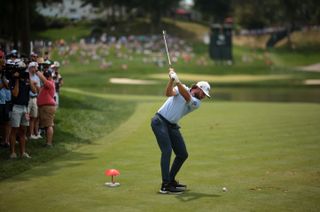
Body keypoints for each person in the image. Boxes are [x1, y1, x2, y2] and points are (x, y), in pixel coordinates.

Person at [151, 68, 211, 194]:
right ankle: (165, 185)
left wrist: (177, 80)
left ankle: (171, 180)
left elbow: (186, 96)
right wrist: (172, 80)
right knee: (166, 151)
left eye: (205, 95)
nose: (204, 96)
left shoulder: (196, 103)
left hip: (172, 125)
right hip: (159, 121)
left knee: (182, 154)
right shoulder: (181, 87)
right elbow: (168, 93)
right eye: (203, 93)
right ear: (197, 88)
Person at [9, 60, 37, 159]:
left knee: (23, 131)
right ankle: (12, 153)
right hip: (16, 107)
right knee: (14, 131)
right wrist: (17, 79)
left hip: (25, 108)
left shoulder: (26, 80)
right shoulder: (13, 79)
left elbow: (34, 91)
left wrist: (29, 78)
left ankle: (23, 152)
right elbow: (15, 94)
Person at [36, 69, 56, 147]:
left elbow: (43, 79)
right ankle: (48, 142)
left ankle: (49, 143)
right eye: (46, 76)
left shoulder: (50, 83)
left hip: (48, 107)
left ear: (50, 76)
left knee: (49, 125)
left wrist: (37, 71)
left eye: (47, 76)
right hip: (45, 107)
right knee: (47, 125)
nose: (47, 77)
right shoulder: (47, 85)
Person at [27, 62, 41, 139]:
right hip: (28, 98)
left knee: (34, 116)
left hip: (34, 98)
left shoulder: (37, 77)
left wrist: (32, 84)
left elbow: (38, 89)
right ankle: (25, 134)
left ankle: (31, 134)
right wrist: (33, 84)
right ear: (31, 68)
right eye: (35, 67)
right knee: (26, 117)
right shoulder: (27, 75)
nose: (36, 69)